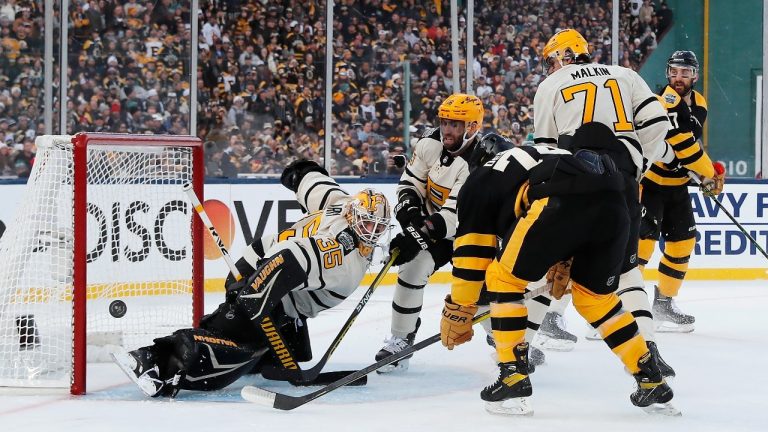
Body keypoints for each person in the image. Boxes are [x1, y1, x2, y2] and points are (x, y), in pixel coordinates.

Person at [441, 132, 677, 416]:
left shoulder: (480, 181)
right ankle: (651, 377)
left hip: (558, 203)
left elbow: (472, 256)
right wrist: (564, 257)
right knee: (595, 300)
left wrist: (460, 308)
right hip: (615, 203)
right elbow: (580, 197)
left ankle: (513, 375)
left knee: (503, 280)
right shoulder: (544, 153)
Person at [112, 159, 391, 397]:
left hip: (274, 284)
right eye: (367, 222)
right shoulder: (341, 247)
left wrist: (301, 174)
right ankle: (153, 362)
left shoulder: (342, 213)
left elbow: (314, 190)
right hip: (263, 274)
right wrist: (255, 290)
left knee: (257, 341)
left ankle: (264, 353)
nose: (372, 232)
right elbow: (292, 253)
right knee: (230, 347)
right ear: (353, 213)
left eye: (378, 227)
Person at [531, 28, 676, 376]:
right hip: (620, 179)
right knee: (627, 271)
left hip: (572, 181)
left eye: (551, 60)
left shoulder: (550, 86)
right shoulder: (625, 75)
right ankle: (648, 352)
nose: (550, 68)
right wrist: (635, 166)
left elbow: (546, 149)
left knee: (546, 265)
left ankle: (516, 350)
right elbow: (658, 124)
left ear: (563, 56)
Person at [375, 93, 547, 372]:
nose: (447, 130)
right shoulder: (429, 143)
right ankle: (401, 339)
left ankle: (507, 343)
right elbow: (410, 183)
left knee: (480, 297)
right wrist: (410, 213)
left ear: (472, 127)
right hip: (435, 227)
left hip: (474, 234)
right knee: (413, 268)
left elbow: (454, 216)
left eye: (455, 124)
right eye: (445, 122)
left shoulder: (482, 159)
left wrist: (419, 233)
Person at [638, 50, 725, 332]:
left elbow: (689, 141)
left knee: (683, 242)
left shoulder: (700, 102)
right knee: (641, 246)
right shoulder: (661, 100)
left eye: (685, 72)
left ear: (695, 75)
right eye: (674, 72)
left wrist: (698, 169)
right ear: (667, 73)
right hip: (650, 183)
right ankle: (623, 308)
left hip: (677, 187)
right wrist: (706, 171)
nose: (679, 77)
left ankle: (663, 303)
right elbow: (675, 144)